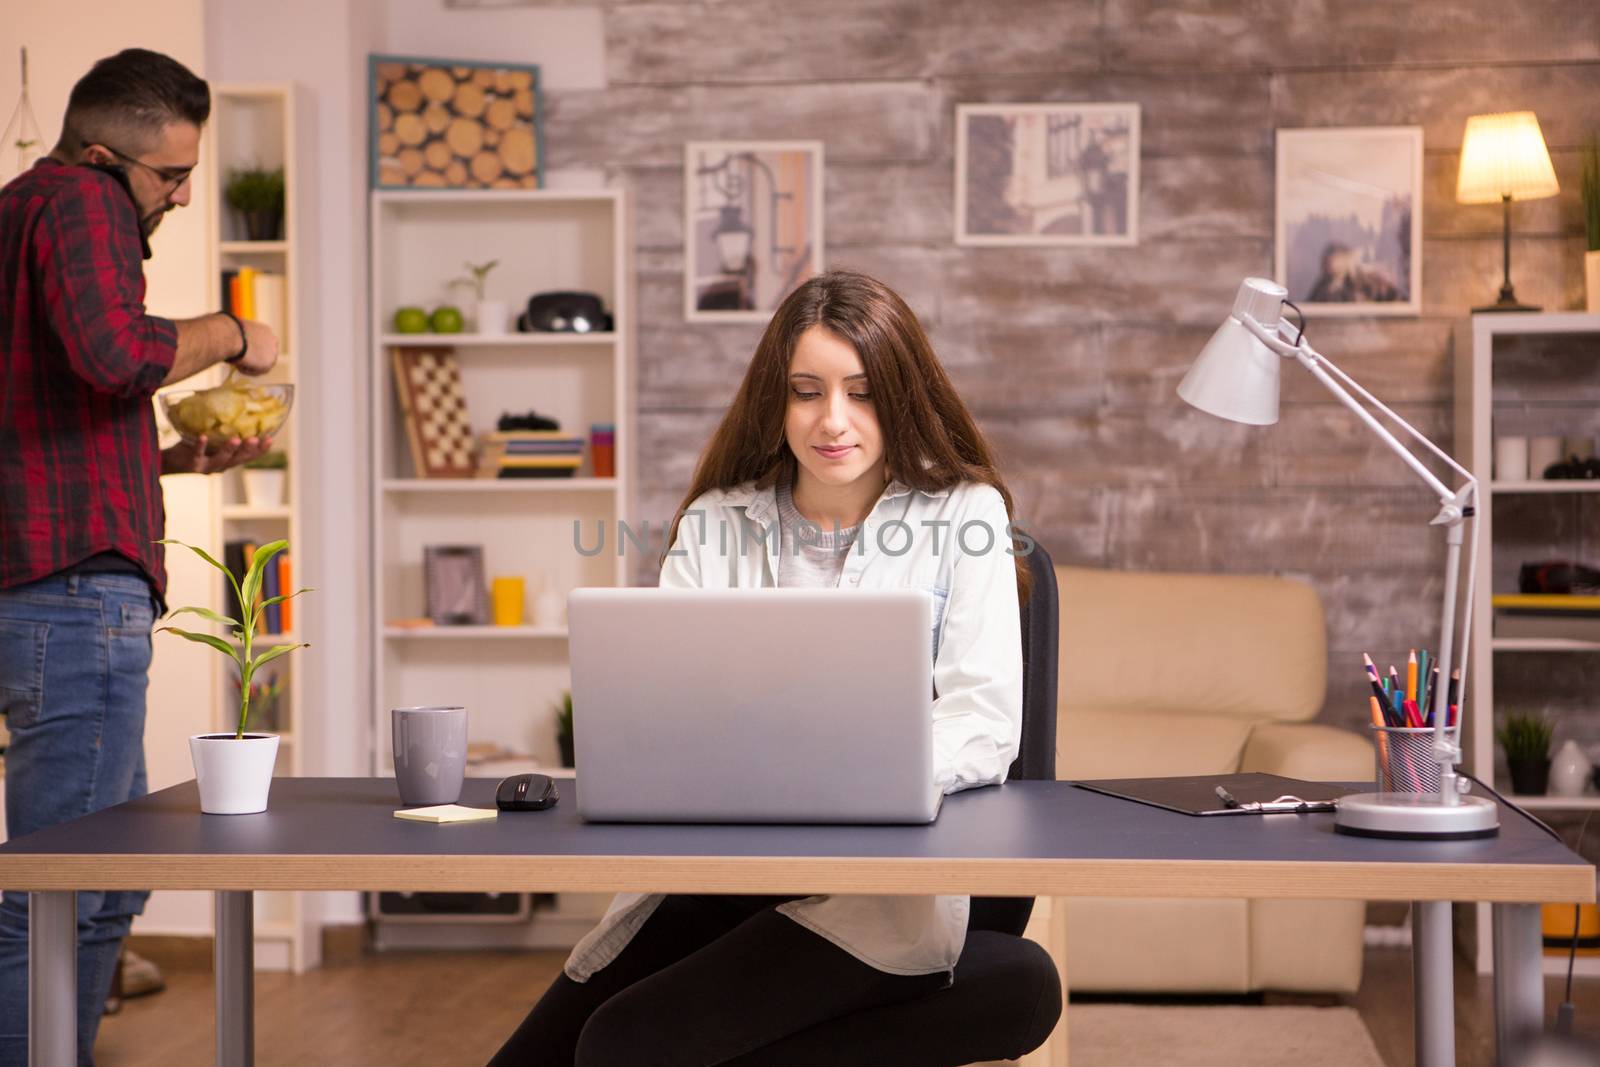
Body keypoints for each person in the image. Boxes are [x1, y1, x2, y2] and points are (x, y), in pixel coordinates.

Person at [489, 270, 1035, 1066]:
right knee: (537, 1054)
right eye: (806, 391)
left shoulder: (964, 514)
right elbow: (663, 704)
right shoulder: (719, 520)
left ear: (901, 393)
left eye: (862, 391)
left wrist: (866, 776)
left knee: (619, 1043)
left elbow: (984, 719)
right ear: (775, 403)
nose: (833, 420)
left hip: (871, 890)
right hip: (722, 867)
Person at [0, 48, 280, 1065]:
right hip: (73, 593)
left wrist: (171, 457)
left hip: (66, 575)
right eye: (168, 176)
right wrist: (236, 330)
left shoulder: (33, 211)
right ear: (104, 152)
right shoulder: (80, 203)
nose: (180, 194)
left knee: (108, 877)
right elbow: (116, 353)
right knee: (59, 882)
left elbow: (49, 411)